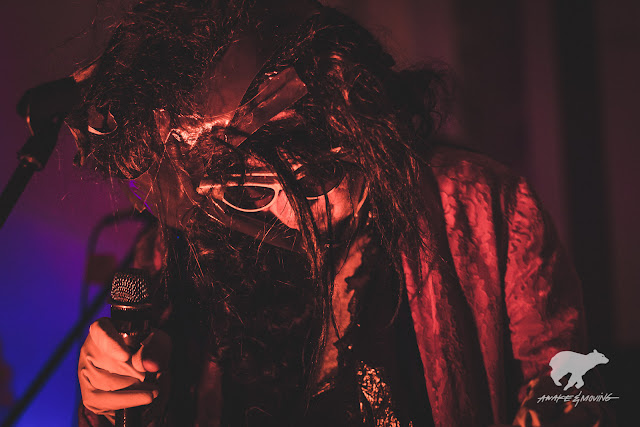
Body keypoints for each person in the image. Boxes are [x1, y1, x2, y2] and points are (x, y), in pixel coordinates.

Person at [68, 0, 614, 426]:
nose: (289, 213)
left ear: (362, 136)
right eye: (251, 193)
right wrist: (118, 399)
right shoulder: (179, 251)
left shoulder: (479, 204)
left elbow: (579, 388)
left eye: (313, 179)